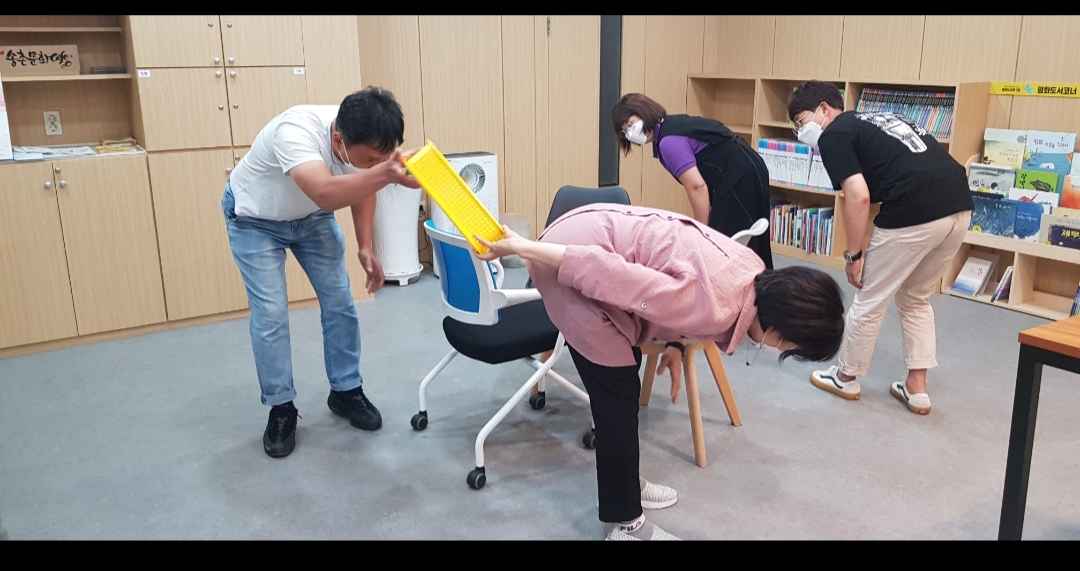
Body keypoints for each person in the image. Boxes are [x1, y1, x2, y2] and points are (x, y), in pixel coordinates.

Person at [473, 203, 845, 540]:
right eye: (790, 347)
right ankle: (626, 524)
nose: (783, 351)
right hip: (567, 264)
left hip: (586, 235)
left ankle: (625, 484)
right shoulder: (715, 304)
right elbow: (607, 273)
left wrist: (675, 345)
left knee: (624, 378)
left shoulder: (750, 271)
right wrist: (521, 248)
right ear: (784, 329)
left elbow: (673, 286)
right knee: (617, 397)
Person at [222, 87, 420, 458]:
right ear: (338, 140)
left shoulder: (364, 137)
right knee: (271, 314)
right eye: (370, 159)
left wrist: (365, 246)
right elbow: (326, 193)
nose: (375, 164)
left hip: (310, 217)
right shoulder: (295, 131)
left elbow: (364, 185)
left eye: (382, 158)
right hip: (255, 219)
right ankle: (281, 407)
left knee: (341, 302)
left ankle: (345, 390)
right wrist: (385, 173)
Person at [788, 80, 974, 416]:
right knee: (916, 297)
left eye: (802, 122)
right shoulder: (879, 118)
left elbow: (858, 197)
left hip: (914, 208)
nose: (802, 132)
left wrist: (853, 255)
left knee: (871, 297)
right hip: (960, 206)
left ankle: (845, 377)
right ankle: (916, 388)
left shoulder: (833, 135)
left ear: (824, 109)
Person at [612, 93, 774, 269]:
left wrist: (700, 232)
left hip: (739, 177)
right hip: (750, 166)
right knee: (754, 247)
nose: (630, 133)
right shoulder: (671, 126)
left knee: (722, 248)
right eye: (624, 131)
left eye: (631, 124)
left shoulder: (668, 142)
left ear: (644, 112)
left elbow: (697, 187)